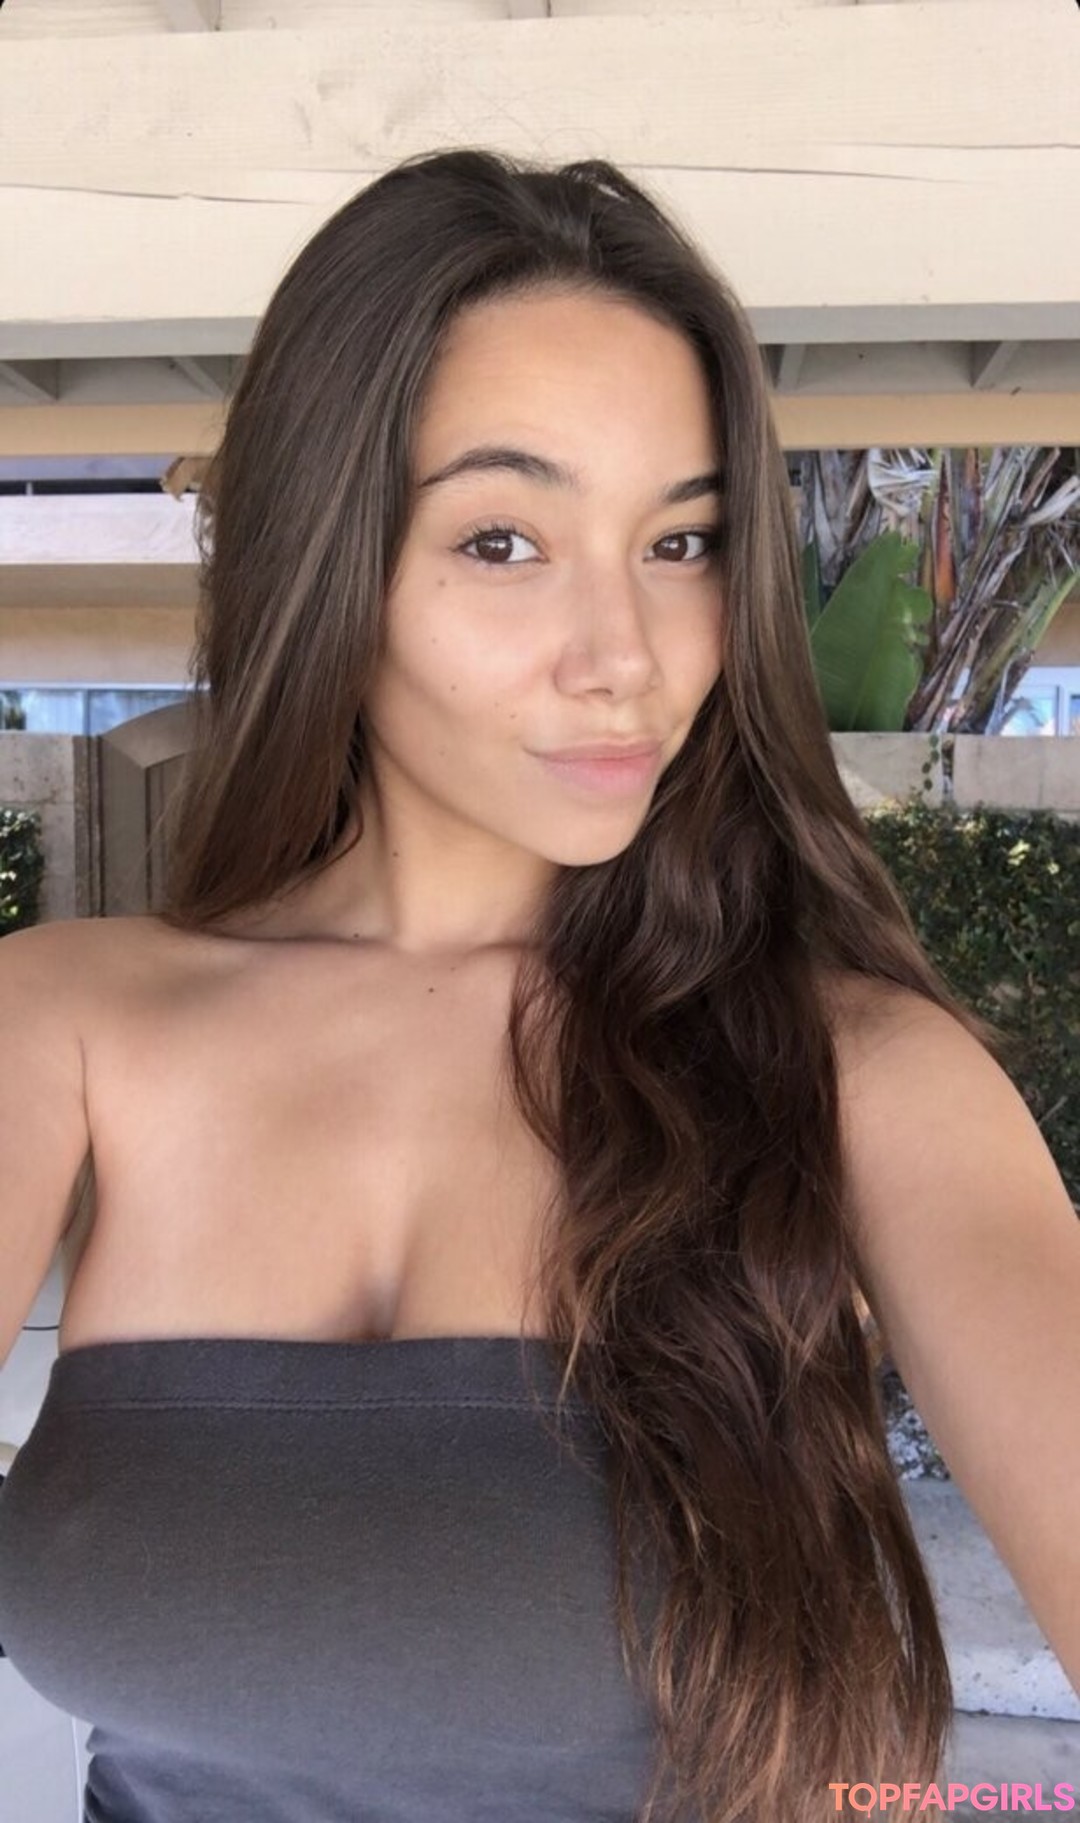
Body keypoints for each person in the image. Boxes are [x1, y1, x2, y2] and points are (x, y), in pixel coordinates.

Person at [0, 147, 1077, 1823]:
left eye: (683, 541)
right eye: (504, 540)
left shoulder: (858, 1074)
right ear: (327, 556)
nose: (626, 655)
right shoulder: (66, 1025)